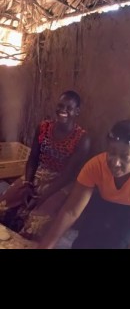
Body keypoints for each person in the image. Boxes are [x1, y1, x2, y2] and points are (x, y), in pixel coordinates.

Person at [38, 119, 130, 249]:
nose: (116, 162)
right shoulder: (95, 166)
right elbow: (71, 211)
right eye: (112, 153)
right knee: (83, 245)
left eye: (125, 157)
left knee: (116, 243)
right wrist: (45, 246)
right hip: (107, 202)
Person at [0, 90, 90, 240]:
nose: (63, 111)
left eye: (69, 108)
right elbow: (33, 157)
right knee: (3, 206)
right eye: (60, 106)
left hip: (62, 184)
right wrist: (28, 184)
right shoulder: (44, 127)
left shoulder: (82, 139)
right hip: (39, 174)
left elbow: (68, 174)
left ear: (77, 112)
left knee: (34, 225)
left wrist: (42, 197)